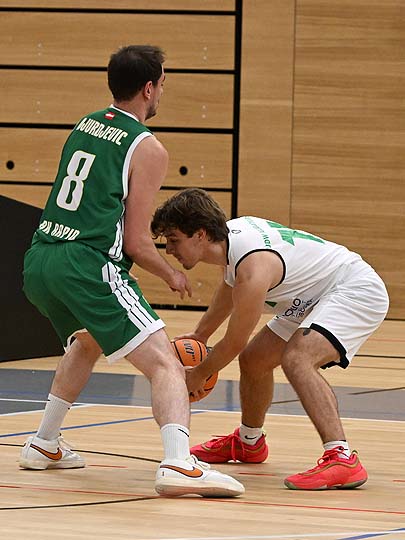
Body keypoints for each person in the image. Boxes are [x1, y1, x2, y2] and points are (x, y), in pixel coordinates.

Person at [20, 46, 244, 498]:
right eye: (162, 84)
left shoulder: (85, 124)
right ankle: (178, 463)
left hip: (41, 258)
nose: (162, 92)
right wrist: (171, 274)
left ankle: (44, 443)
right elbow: (138, 243)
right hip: (86, 264)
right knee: (165, 362)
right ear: (148, 88)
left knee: (87, 341)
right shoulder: (147, 147)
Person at [151, 187, 389, 490]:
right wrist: (201, 334)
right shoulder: (232, 241)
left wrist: (199, 373)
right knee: (254, 360)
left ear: (200, 235)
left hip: (353, 289)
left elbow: (234, 340)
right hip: (311, 295)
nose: (169, 249)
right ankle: (249, 442)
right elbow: (230, 285)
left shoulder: (254, 268)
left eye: (174, 240)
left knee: (298, 358)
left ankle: (341, 457)